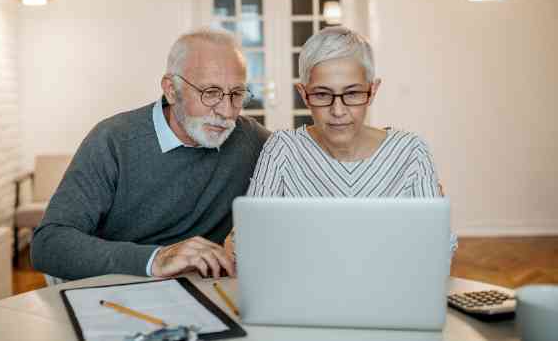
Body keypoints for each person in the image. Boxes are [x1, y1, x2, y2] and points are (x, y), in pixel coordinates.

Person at [31, 29, 270, 280]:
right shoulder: (113, 140)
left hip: (201, 290)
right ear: (171, 89)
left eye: (237, 94)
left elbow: (302, 153)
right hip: (117, 286)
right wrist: (156, 258)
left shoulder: (249, 138)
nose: (226, 110)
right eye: (210, 92)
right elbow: (49, 243)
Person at [225, 26, 454, 255]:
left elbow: (439, 249)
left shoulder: (410, 152)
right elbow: (245, 242)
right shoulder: (282, 149)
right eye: (322, 94)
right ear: (304, 94)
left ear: (372, 91)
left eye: (352, 93)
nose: (337, 111)